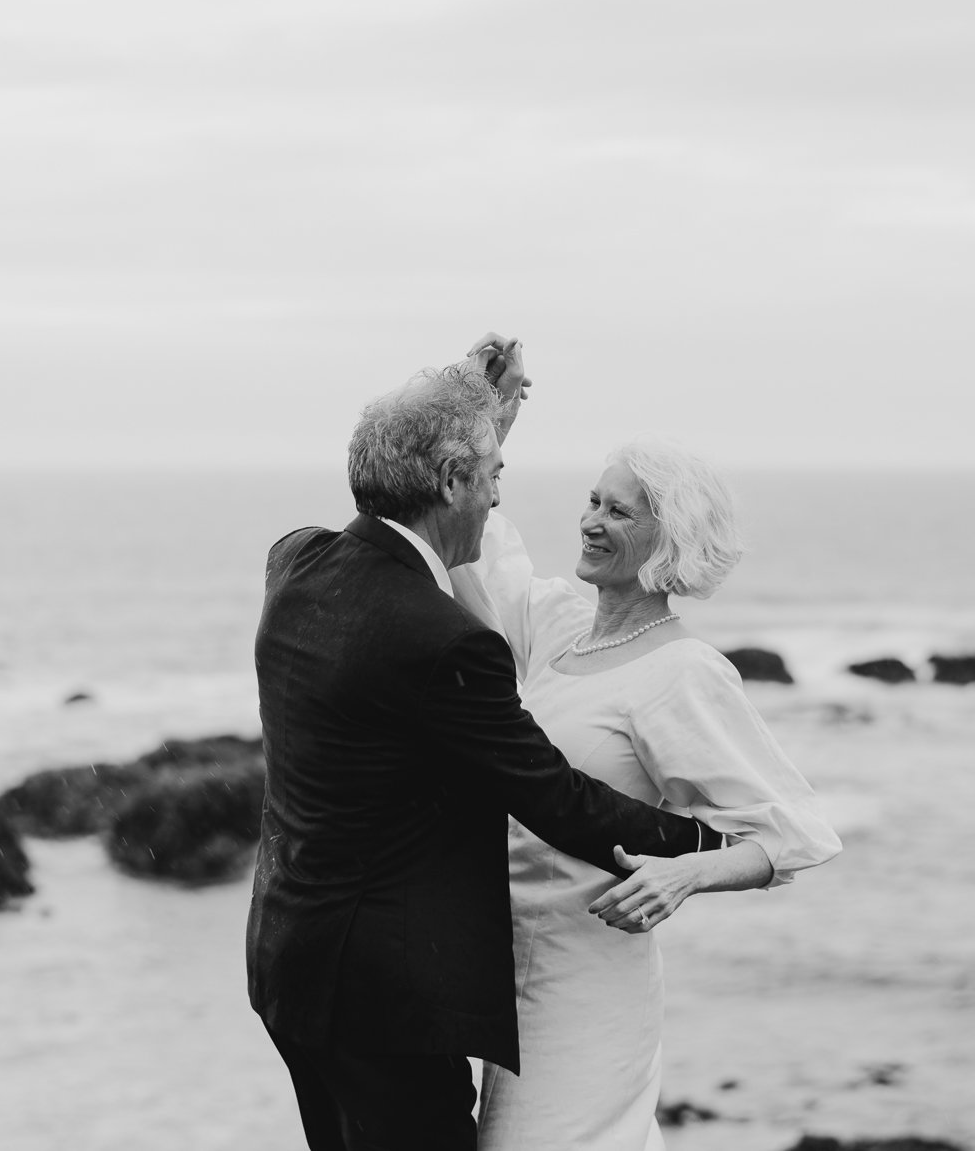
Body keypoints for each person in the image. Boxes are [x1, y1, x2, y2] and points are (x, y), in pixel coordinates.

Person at [247, 348, 721, 1151]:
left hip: (289, 968)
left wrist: (470, 414)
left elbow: (405, 500)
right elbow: (553, 798)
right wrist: (710, 843)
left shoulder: (297, 559)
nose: (500, 492)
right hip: (385, 1005)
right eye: (492, 472)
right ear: (454, 483)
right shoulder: (443, 641)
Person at [448, 344, 841, 1151]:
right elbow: (482, 551)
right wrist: (490, 421)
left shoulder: (683, 671)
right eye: (593, 500)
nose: (592, 521)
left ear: (670, 539)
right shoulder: (556, 624)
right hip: (503, 964)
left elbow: (797, 832)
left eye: (620, 511)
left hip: (590, 979)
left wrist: (686, 872)